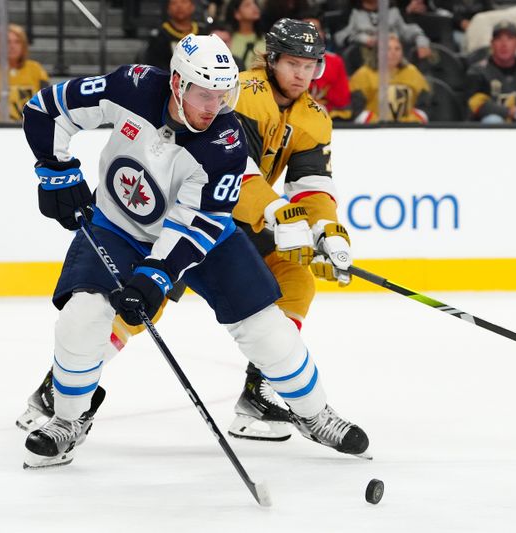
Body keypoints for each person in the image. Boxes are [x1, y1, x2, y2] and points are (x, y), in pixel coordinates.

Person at [20, 34, 370, 468]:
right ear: (178, 84)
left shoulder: (225, 142)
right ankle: (68, 420)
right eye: (205, 94)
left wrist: (156, 275)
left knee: (267, 328)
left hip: (208, 238)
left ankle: (315, 414)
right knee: (82, 316)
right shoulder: (131, 86)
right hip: (117, 224)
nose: (214, 107)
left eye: (223, 96)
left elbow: (197, 223)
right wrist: (55, 171)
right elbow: (47, 108)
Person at [223, 18, 355, 441]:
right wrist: (279, 213)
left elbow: (310, 184)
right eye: (294, 63)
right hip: (190, 211)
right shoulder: (244, 92)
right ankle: (59, 393)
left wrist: (327, 228)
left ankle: (256, 396)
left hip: (245, 218)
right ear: (273, 59)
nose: (302, 75)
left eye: (311, 65)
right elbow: (229, 172)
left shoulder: (312, 116)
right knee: (142, 302)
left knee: (296, 281)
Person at [0, 24, 48, 122]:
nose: (12, 46)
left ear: (24, 45)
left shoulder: (36, 69)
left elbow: (46, 104)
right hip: (0, 128)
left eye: (17, 42)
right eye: (7, 42)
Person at [349, 34, 430, 123]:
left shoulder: (412, 72)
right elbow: (357, 110)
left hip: (409, 128)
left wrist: (408, 124)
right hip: (373, 129)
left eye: (397, 49)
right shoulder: (363, 74)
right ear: (378, 52)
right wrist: (380, 124)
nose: (393, 52)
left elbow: (424, 107)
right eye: (388, 49)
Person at [335, 0, 431, 60]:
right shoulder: (351, 13)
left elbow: (411, 31)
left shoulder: (394, 10)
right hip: (362, 63)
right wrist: (363, 39)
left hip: (394, 63)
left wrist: (422, 44)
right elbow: (339, 37)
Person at [302, 14, 353, 121]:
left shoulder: (335, 61)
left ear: (324, 34)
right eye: (305, 29)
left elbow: (342, 100)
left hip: (331, 118)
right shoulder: (287, 61)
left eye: (316, 30)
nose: (311, 34)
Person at [143, 0, 203, 69]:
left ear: (192, 7)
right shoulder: (159, 36)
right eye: (174, 3)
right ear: (168, 9)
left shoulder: (203, 33)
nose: (179, 6)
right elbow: (155, 65)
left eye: (184, 2)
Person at [225, 0, 264, 70]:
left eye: (255, 3)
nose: (254, 7)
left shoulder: (265, 39)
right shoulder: (227, 38)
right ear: (237, 14)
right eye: (247, 5)